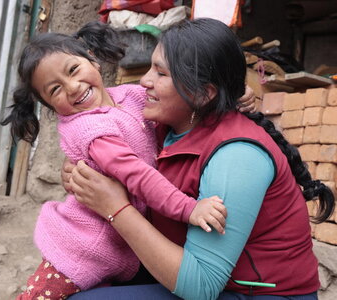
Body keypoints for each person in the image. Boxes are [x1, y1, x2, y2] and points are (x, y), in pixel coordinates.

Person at [66, 18, 335, 300]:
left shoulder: (238, 156)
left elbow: (202, 286)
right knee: (84, 279)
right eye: (150, 68)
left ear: (203, 94)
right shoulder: (167, 126)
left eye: (160, 73)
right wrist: (78, 170)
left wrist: (115, 208)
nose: (144, 81)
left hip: (252, 293)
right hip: (197, 271)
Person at [0, 21, 242, 300]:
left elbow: (176, 98)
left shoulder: (128, 96)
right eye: (55, 90)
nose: (73, 87)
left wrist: (235, 97)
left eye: (73, 70)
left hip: (117, 249)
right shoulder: (92, 131)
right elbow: (138, 176)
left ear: (93, 60)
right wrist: (190, 209)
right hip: (81, 249)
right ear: (50, 106)